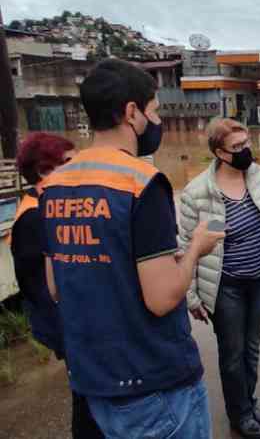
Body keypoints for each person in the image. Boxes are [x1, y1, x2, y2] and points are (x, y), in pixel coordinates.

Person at [39, 59, 224, 439]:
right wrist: (194, 251)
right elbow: (161, 298)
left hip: (95, 382)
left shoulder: (55, 185)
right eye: (154, 111)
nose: (156, 122)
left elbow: (57, 286)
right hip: (154, 384)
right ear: (131, 112)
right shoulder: (142, 184)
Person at [180, 117, 260, 439]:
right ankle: (239, 413)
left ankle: (249, 402)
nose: (245, 152)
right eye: (237, 147)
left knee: (252, 348)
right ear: (219, 152)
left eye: (246, 144)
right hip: (226, 285)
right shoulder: (201, 193)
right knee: (232, 353)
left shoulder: (255, 176)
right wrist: (192, 296)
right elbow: (189, 247)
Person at [10, 133, 104, 439]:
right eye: (68, 162)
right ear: (43, 171)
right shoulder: (34, 217)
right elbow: (39, 288)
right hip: (67, 327)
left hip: (74, 324)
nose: (77, 167)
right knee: (88, 401)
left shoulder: (50, 205)